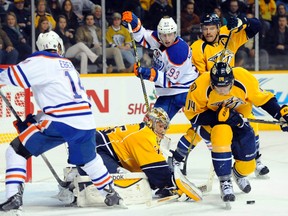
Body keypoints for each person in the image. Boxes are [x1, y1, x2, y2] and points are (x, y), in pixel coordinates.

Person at [0, 31, 123, 213]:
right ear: (59, 46)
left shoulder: (39, 60)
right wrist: (35, 121)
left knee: (16, 151)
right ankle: (110, 192)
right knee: (89, 160)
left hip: (61, 122)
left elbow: (8, 76)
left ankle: (13, 196)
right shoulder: (67, 64)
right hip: (86, 121)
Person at [183, 61, 288, 203]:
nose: (222, 91)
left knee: (248, 165)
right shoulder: (200, 85)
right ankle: (225, 181)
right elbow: (193, 116)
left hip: (240, 123)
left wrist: (280, 114)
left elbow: (264, 100)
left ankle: (238, 174)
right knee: (222, 131)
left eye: (226, 86)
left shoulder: (243, 78)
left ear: (232, 81)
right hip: (211, 126)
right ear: (212, 83)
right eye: (218, 87)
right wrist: (218, 117)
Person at [75, 107, 202, 201]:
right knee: (126, 180)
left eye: (165, 127)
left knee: (132, 176)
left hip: (93, 147)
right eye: (160, 126)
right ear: (150, 122)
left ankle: (78, 176)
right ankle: (81, 185)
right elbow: (157, 171)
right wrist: (172, 185)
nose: (163, 131)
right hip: (92, 149)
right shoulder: (145, 136)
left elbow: (145, 167)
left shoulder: (142, 130)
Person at [121, 12, 199, 165]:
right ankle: (150, 160)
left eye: (170, 35)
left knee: (203, 126)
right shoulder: (159, 38)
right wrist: (135, 23)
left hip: (186, 92)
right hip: (167, 94)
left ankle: (180, 158)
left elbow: (170, 81)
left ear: (175, 33)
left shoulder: (179, 52)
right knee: (152, 125)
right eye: (164, 35)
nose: (167, 39)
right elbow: (143, 37)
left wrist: (147, 72)